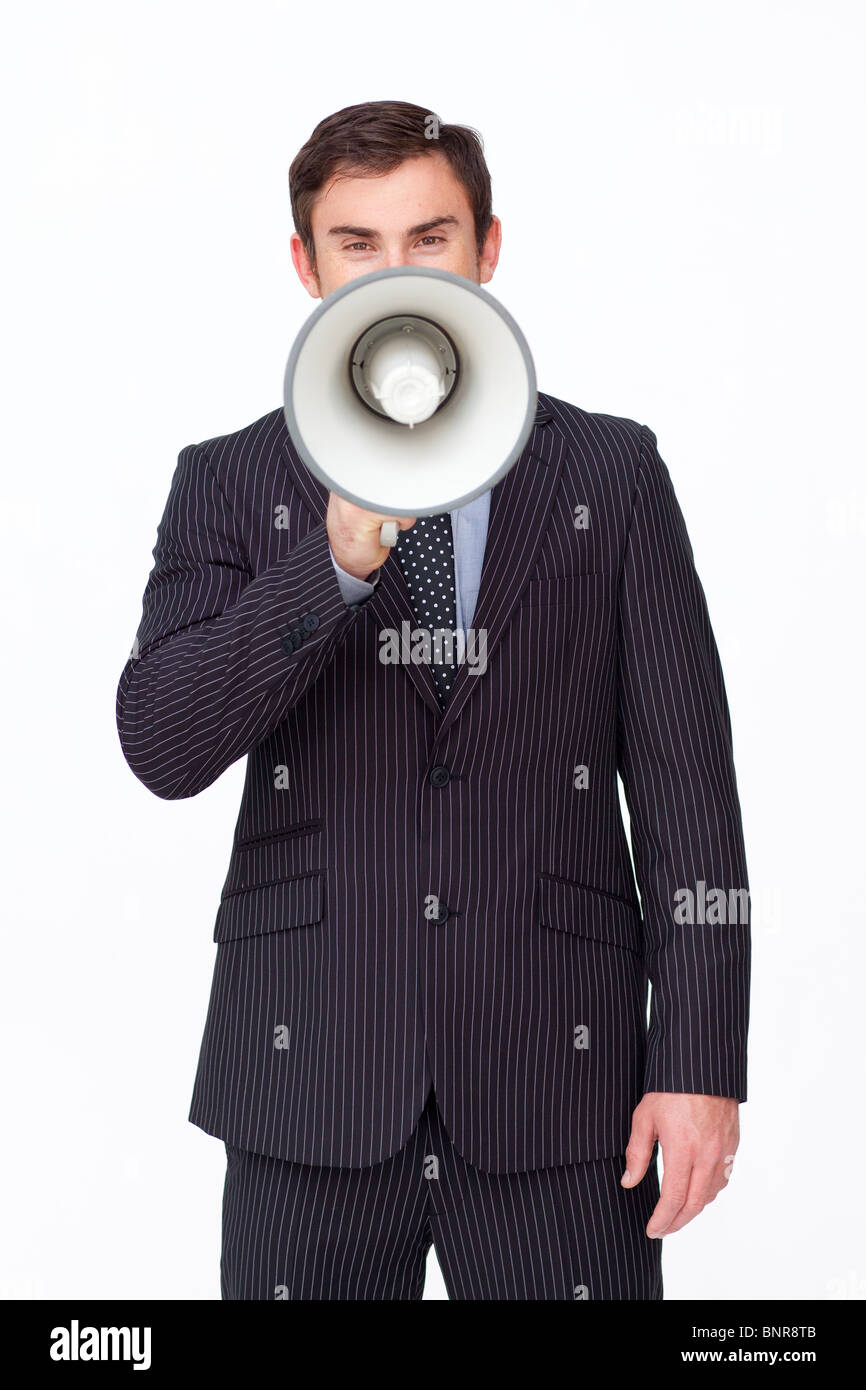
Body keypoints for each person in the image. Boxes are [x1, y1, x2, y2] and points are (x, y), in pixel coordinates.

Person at [116, 99, 750, 1301]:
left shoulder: (608, 474)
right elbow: (162, 739)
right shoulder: (228, 479)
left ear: (487, 250)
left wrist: (703, 1058)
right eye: (355, 243)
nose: (392, 271)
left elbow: (686, 797)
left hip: (560, 1093)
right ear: (305, 265)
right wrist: (332, 565)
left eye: (429, 238)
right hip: (309, 1081)